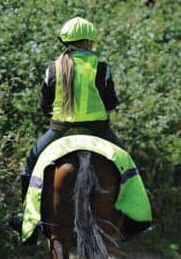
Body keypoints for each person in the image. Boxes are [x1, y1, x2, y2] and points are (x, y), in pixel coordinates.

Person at [8, 17, 125, 235]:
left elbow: (45, 103)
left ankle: (26, 215)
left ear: (64, 41)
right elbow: (111, 103)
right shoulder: (101, 68)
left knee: (31, 161)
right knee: (126, 163)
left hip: (60, 129)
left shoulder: (53, 68)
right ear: (90, 42)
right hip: (98, 129)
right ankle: (129, 217)